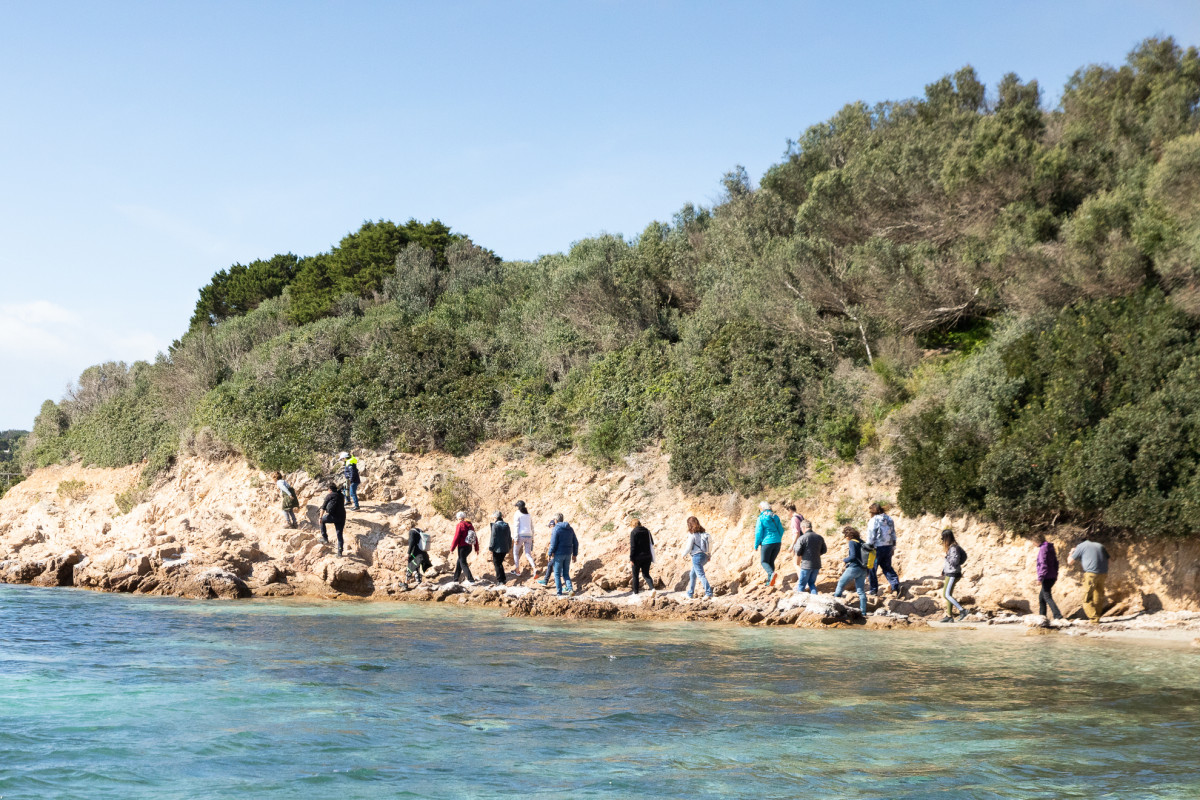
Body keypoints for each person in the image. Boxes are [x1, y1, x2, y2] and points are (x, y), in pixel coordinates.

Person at [1068, 536, 1110, 622]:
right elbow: (1108, 559)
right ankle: (1097, 616)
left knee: (1086, 597)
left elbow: (1070, 562)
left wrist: (1071, 552)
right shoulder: (1099, 545)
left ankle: (1094, 619)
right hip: (1103, 573)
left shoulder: (1080, 546)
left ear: (1078, 543)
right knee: (1098, 595)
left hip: (1091, 574)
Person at [865, 503, 900, 595]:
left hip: (876, 548)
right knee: (887, 567)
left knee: (872, 568)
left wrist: (869, 546)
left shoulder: (873, 520)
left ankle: (873, 590)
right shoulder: (889, 519)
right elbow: (893, 533)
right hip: (888, 546)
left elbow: (871, 534)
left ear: (872, 511)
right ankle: (895, 586)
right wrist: (893, 546)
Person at [833, 526, 869, 615]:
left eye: (845, 537)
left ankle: (834, 606)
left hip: (854, 568)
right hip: (864, 570)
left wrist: (844, 560)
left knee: (840, 584)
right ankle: (863, 612)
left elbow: (853, 556)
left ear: (848, 536)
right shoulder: (862, 542)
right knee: (860, 591)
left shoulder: (852, 542)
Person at [753, 501, 785, 587]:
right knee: (770, 561)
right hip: (777, 542)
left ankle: (771, 574)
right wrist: (777, 538)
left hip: (767, 543)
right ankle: (769, 582)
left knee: (764, 561)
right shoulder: (775, 517)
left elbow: (758, 532)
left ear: (762, 509)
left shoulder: (761, 518)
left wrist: (756, 545)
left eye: (759, 508)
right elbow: (781, 530)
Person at [681, 516, 713, 599]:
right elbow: (708, 546)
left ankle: (709, 593)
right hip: (705, 556)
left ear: (689, 524)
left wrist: (683, 554)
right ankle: (690, 593)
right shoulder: (703, 533)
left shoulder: (692, 534)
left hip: (696, 557)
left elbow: (689, 547)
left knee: (701, 575)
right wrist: (709, 555)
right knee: (692, 574)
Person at [939, 529, 967, 623]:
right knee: (947, 595)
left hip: (953, 574)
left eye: (943, 538)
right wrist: (944, 570)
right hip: (949, 573)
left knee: (947, 594)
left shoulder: (954, 548)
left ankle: (962, 610)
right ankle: (949, 616)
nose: (942, 540)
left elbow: (954, 561)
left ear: (947, 538)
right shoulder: (951, 547)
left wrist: (948, 558)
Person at [792, 520, 826, 595]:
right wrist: (816, 554)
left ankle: (799, 601)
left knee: (801, 585)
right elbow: (824, 550)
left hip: (806, 565)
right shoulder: (819, 537)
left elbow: (797, 551)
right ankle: (815, 598)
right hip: (817, 565)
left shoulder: (802, 538)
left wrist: (803, 555)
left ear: (803, 528)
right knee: (811, 583)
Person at [547, 513, 578, 596]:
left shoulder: (556, 529)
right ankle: (570, 589)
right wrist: (574, 554)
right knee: (566, 573)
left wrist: (549, 553)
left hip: (559, 554)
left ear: (556, 520)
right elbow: (575, 542)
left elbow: (553, 544)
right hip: (568, 554)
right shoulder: (570, 529)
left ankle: (559, 593)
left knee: (557, 574)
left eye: (554, 519)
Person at [1036, 533, 1063, 620]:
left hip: (1046, 576)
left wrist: (1040, 577)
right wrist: (1056, 574)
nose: (1033, 543)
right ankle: (1042, 616)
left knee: (1047, 596)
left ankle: (1058, 616)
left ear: (1036, 540)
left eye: (1033, 541)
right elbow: (1056, 562)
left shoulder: (1043, 549)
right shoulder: (1050, 547)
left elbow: (1043, 563)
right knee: (1042, 597)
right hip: (1052, 575)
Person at [319, 481, 346, 556]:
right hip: (342, 516)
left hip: (332, 516)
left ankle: (325, 538)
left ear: (329, 489)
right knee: (339, 534)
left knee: (322, 521)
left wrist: (320, 517)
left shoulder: (329, 496)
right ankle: (340, 553)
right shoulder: (341, 495)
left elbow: (323, 508)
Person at [629, 517, 655, 595]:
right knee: (646, 574)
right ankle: (652, 589)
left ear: (633, 525)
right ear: (640, 524)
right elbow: (652, 543)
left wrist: (631, 558)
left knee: (635, 575)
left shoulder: (633, 532)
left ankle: (636, 593)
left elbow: (633, 547)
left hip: (637, 558)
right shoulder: (647, 531)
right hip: (647, 556)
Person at [450, 511, 478, 584]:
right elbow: (475, 537)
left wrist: (452, 548)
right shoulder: (470, 525)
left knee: (463, 563)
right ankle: (455, 579)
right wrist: (476, 548)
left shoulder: (460, 525)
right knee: (459, 561)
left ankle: (471, 580)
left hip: (462, 547)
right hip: (469, 547)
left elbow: (456, 537)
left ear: (458, 518)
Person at [511, 500, 537, 576]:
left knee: (515, 553)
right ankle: (534, 568)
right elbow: (532, 526)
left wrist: (515, 538)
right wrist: (532, 537)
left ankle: (517, 570)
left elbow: (516, 526)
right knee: (528, 553)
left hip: (520, 535)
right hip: (529, 535)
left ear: (518, 507)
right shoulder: (528, 514)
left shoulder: (517, 514)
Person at [488, 511, 512, 585]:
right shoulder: (506, 525)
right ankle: (503, 578)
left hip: (497, 548)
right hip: (505, 547)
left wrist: (491, 547)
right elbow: (509, 537)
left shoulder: (495, 526)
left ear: (495, 517)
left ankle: (500, 580)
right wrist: (509, 546)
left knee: (497, 563)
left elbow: (493, 538)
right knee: (499, 563)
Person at [536, 519, 557, 585]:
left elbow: (553, 545)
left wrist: (550, 554)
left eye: (549, 526)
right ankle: (545, 580)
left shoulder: (555, 532)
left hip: (557, 554)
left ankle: (546, 581)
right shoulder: (556, 531)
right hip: (559, 553)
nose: (549, 528)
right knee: (550, 565)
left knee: (557, 568)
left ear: (552, 526)